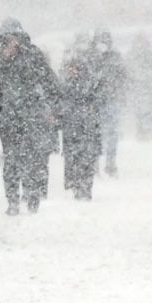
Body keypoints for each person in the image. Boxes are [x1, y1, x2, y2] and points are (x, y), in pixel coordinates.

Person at [0, 18, 60, 215]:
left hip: (31, 115)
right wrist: (4, 58)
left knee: (32, 157)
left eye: (14, 37)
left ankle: (32, 195)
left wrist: (53, 108)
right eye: (7, 38)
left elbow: (50, 81)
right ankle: (12, 200)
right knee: (11, 158)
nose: (11, 41)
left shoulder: (33, 55)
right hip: (7, 117)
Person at [60, 52, 103, 200]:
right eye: (69, 69)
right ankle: (78, 187)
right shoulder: (67, 85)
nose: (71, 71)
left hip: (84, 129)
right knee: (75, 160)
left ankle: (84, 187)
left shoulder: (86, 85)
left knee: (84, 160)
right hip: (74, 129)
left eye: (73, 68)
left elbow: (95, 104)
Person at [91, 28, 127, 177]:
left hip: (108, 100)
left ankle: (107, 163)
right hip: (99, 101)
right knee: (98, 133)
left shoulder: (112, 58)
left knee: (108, 133)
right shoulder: (95, 58)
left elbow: (122, 77)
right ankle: (99, 164)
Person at [126, 35, 152, 137]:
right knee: (140, 111)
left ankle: (147, 130)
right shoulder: (132, 55)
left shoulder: (151, 55)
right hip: (138, 87)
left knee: (148, 110)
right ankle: (142, 130)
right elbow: (127, 71)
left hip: (147, 87)